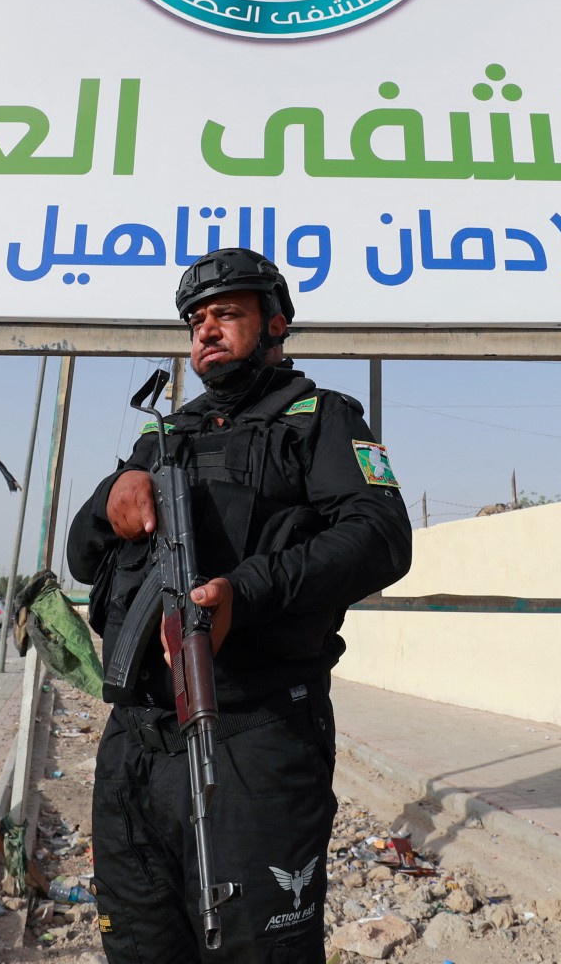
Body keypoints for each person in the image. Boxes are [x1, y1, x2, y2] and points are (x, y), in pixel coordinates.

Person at [67, 248, 413, 963]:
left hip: (255, 732)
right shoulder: (164, 434)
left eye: (227, 313)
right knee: (139, 944)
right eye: (196, 320)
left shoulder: (320, 420)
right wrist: (111, 501)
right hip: (137, 742)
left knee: (258, 946)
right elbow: (81, 553)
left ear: (275, 322)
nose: (206, 332)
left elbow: (382, 537)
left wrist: (244, 593)